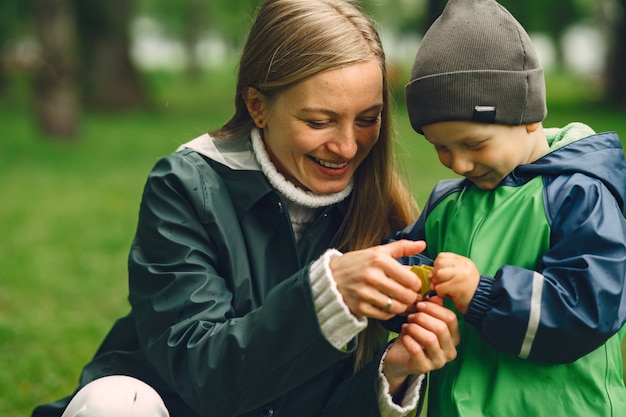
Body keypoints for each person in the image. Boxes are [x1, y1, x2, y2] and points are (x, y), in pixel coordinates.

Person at [32, 1, 460, 417]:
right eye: (318, 121)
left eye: (367, 119)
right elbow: (200, 375)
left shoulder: (385, 215)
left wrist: (395, 370)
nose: (348, 146)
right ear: (257, 106)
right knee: (115, 405)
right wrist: (326, 299)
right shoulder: (185, 187)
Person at [392, 0, 626, 415]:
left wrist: (480, 293)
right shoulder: (449, 203)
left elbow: (587, 311)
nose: (459, 164)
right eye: (441, 148)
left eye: (474, 144)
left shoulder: (577, 194)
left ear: (529, 115)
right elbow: (406, 270)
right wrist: (405, 284)